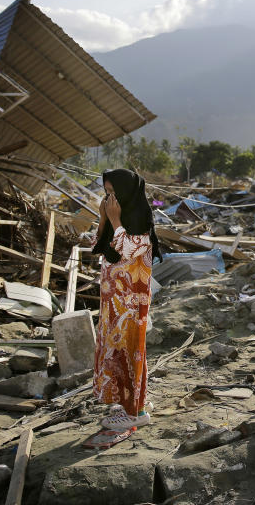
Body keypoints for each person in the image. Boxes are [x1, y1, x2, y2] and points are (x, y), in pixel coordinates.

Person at [90, 168, 162, 430]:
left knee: (130, 351)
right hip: (114, 304)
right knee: (119, 352)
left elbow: (130, 249)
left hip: (130, 305)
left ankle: (136, 413)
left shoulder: (139, 217)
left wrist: (116, 220)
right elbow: (99, 246)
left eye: (114, 193)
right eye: (106, 193)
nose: (110, 200)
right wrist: (103, 219)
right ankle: (133, 400)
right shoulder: (113, 218)